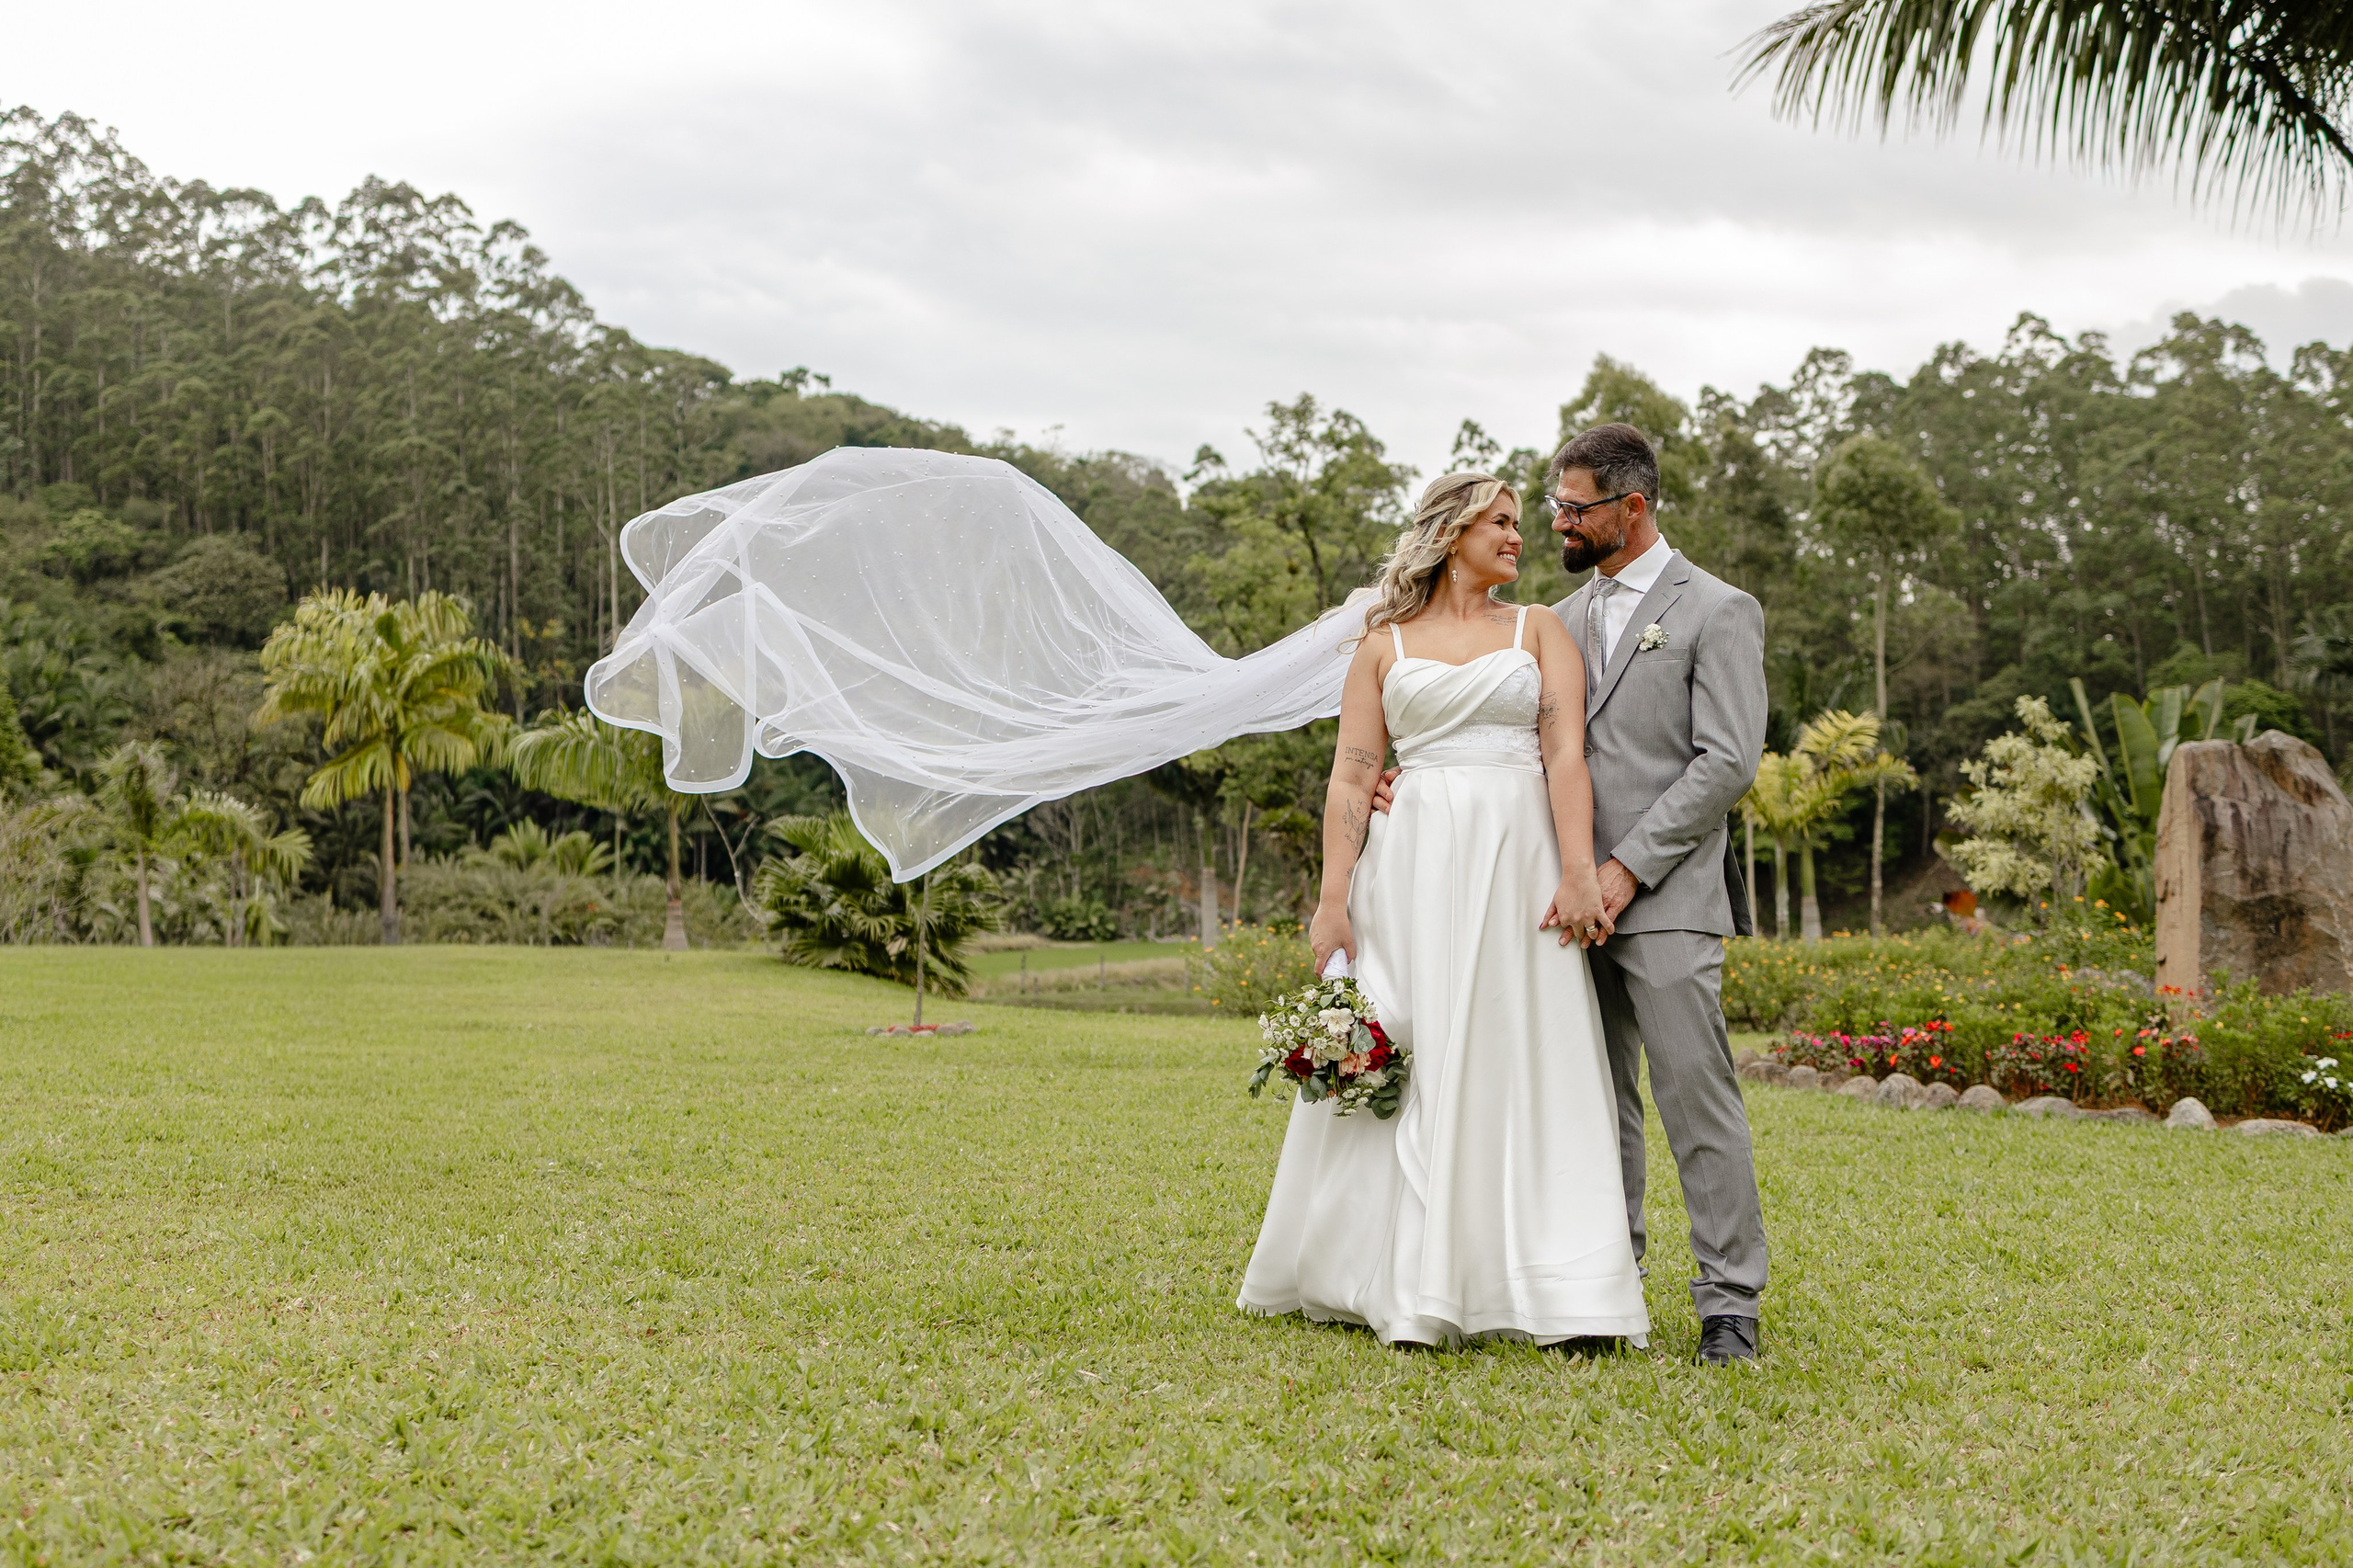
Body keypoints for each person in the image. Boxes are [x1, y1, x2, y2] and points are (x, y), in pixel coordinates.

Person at [1373, 424, 1769, 1364]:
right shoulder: (1547, 618)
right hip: (1552, 896)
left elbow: (1726, 762)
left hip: (1663, 894)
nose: (1556, 522)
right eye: (1553, 506)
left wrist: (1624, 867)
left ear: (1631, 507)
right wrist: (1413, 782)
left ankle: (1728, 1303)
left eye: (1573, 507)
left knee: (1695, 1097)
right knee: (1588, 1101)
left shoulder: (1718, 609)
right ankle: (1602, 1286)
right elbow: (1515, 743)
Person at [1235, 471, 1651, 1349]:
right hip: (1411, 865)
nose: (1518, 536)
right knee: (1411, 1038)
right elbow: (1352, 774)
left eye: (1519, 521)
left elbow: (1565, 755)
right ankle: (1393, 1277)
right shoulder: (1382, 645)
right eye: (1500, 521)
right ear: (1451, 533)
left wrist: (1579, 871)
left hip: (1519, 861)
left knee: (1525, 1045)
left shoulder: (1538, 629)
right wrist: (1333, 901)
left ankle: (1557, 1288)